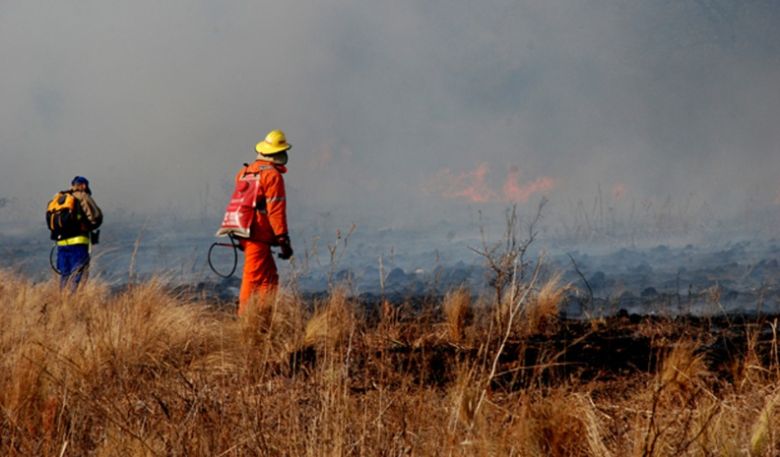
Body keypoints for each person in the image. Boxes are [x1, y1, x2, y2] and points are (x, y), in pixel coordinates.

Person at [236, 129, 294, 315]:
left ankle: (263, 317)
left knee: (269, 278)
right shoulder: (272, 176)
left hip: (244, 231)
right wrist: (283, 239)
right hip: (258, 235)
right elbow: (276, 210)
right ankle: (245, 321)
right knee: (252, 277)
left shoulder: (245, 171)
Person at [54, 176, 103, 290]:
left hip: (61, 244)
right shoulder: (82, 196)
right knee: (77, 275)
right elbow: (96, 217)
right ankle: (74, 302)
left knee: (64, 275)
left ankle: (62, 300)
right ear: (84, 185)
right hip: (78, 244)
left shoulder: (60, 198)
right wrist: (89, 226)